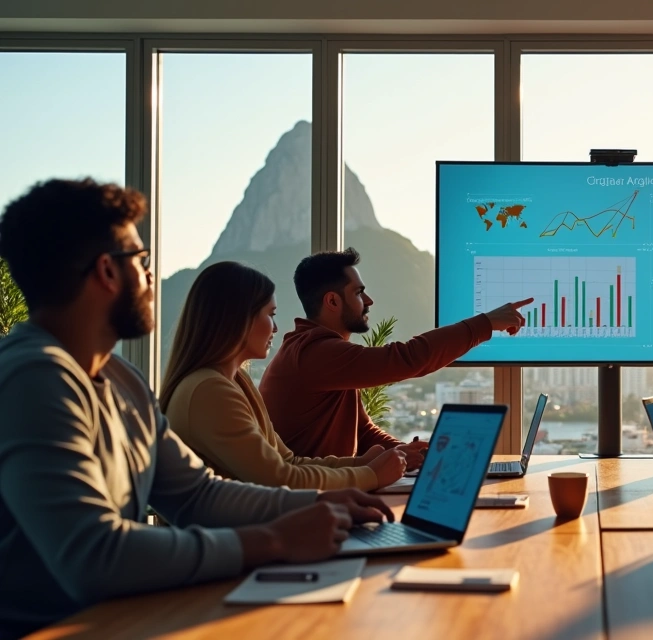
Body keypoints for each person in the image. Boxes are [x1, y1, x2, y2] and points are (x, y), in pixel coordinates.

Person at [0, 179, 392, 638]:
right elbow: (94, 556)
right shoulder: (34, 379)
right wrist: (274, 539)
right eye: (141, 261)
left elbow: (196, 495)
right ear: (107, 272)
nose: (150, 277)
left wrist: (321, 502)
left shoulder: (122, 380)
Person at [160, 261, 411, 492]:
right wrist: (370, 475)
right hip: (231, 538)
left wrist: (360, 464)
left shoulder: (236, 381)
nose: (277, 328)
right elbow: (280, 479)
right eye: (271, 315)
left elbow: (289, 461)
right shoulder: (209, 390)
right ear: (238, 319)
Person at [258, 248, 529, 459]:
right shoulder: (314, 353)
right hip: (311, 508)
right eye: (359, 292)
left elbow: (363, 432)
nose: (369, 301)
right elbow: (408, 358)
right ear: (332, 301)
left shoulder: (322, 352)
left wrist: (412, 454)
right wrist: (485, 323)